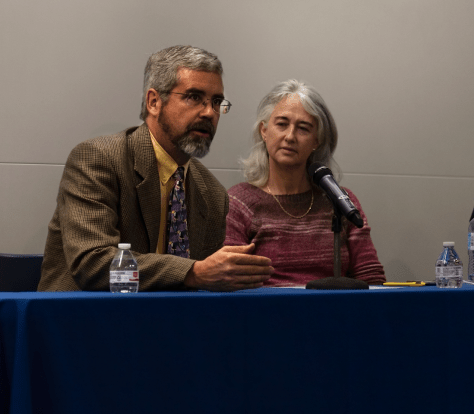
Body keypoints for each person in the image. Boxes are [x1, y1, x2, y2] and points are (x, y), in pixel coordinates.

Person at [39, 45, 273, 292]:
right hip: (83, 319)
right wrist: (191, 272)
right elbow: (92, 263)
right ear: (153, 102)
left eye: (216, 102)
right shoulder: (99, 159)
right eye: (194, 97)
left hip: (168, 325)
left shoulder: (213, 194)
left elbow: (204, 286)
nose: (209, 113)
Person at [225, 80, 385, 286]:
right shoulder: (239, 203)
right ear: (264, 131)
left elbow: (371, 278)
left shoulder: (340, 200)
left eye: (303, 128)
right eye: (282, 124)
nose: (290, 137)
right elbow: (229, 280)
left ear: (316, 141)